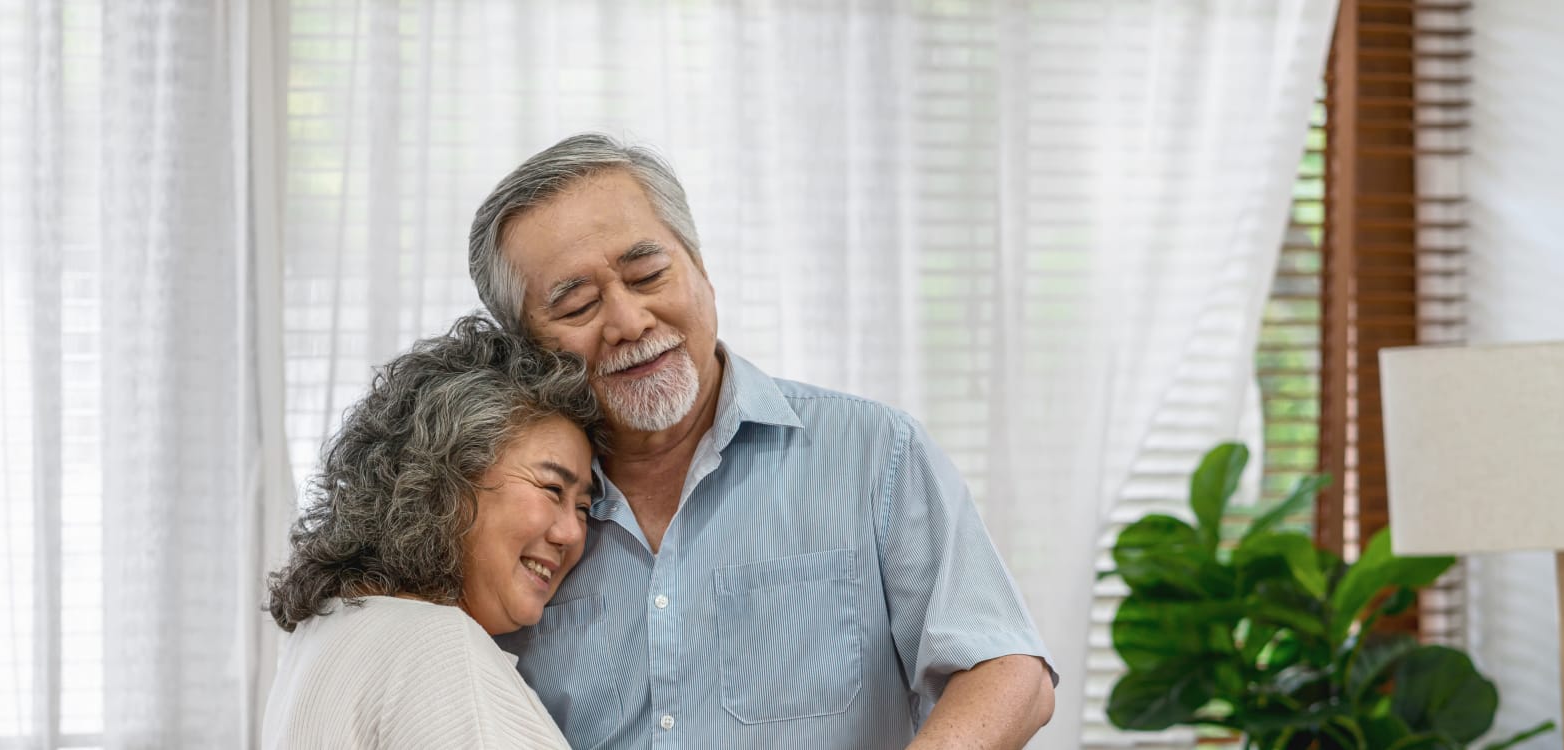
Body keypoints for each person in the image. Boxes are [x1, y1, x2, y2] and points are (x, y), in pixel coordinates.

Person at [473, 134, 1058, 749]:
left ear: (702, 272)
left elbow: (1009, 670)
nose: (628, 322)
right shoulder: (504, 513)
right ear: (524, 349)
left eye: (647, 275)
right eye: (579, 306)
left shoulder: (874, 452)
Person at [261, 315, 609, 749]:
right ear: (447, 481)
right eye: (552, 488)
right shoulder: (438, 646)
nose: (573, 533)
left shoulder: (326, 629)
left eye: (583, 507)